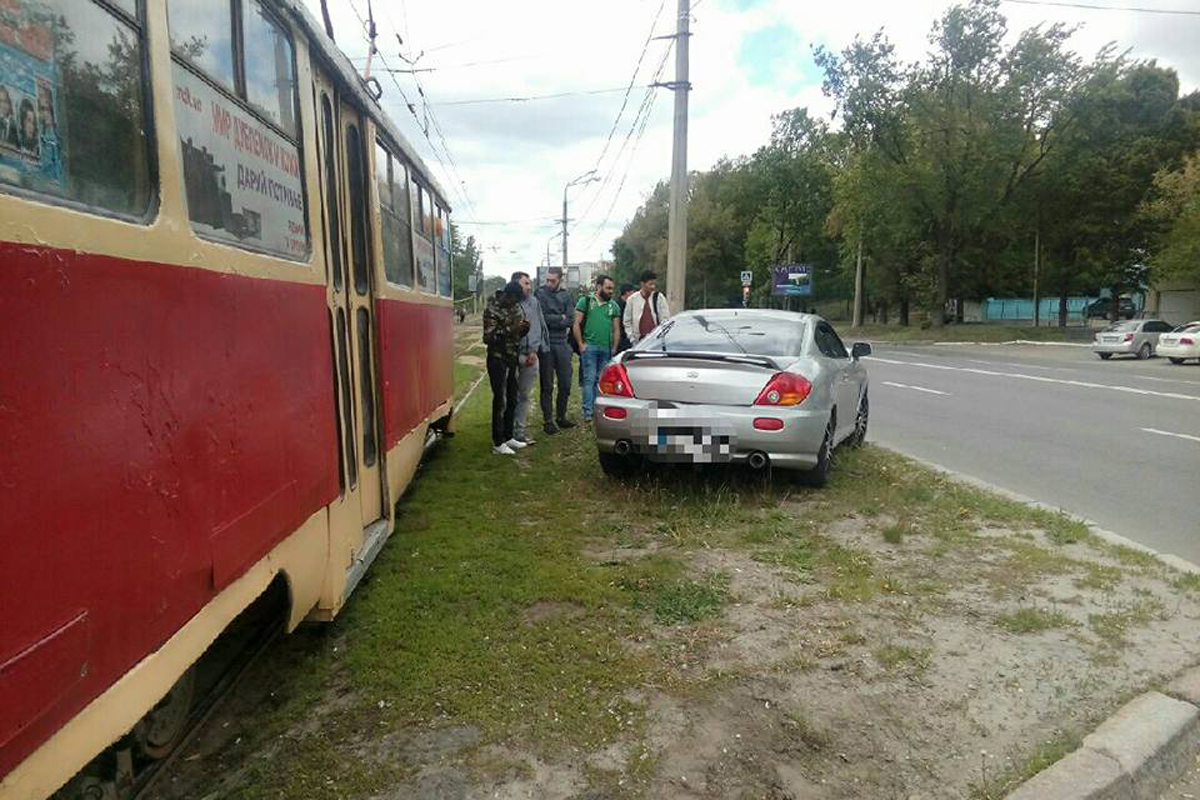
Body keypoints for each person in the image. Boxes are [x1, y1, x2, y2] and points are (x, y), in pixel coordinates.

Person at [483, 280, 530, 455]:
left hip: (512, 357)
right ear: (507, 296)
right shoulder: (492, 309)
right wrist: (512, 328)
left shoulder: (515, 307)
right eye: (514, 300)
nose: (516, 304)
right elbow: (488, 337)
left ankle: (509, 436)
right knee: (500, 400)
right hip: (497, 359)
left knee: (512, 398)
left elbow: (517, 331)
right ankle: (498, 442)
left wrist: (524, 329)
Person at [572, 274, 621, 423]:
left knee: (601, 381)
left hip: (606, 348)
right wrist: (581, 344)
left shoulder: (614, 306)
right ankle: (588, 412)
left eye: (612, 288)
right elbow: (576, 324)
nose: (611, 291)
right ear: (599, 287)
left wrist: (614, 347)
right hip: (590, 347)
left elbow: (616, 329)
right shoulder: (585, 301)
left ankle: (599, 410)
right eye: (608, 288)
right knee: (589, 379)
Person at [534, 267, 577, 434]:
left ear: (560, 280)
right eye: (547, 280)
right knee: (547, 384)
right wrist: (560, 317)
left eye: (553, 280)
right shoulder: (540, 294)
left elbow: (571, 319)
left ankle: (561, 416)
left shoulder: (566, 296)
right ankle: (548, 420)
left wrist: (557, 319)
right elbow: (542, 318)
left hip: (563, 344)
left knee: (565, 383)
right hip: (546, 343)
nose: (549, 283)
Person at [512, 271, 549, 445]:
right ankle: (506, 433)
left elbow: (539, 327)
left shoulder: (534, 302)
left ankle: (519, 432)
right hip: (512, 356)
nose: (529, 286)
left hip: (531, 356)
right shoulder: (509, 303)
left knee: (524, 396)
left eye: (529, 283)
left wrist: (535, 350)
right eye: (525, 283)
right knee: (509, 395)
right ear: (516, 285)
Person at [623, 270, 671, 347]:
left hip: (656, 341)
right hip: (639, 342)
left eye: (654, 284)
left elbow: (665, 319)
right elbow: (627, 322)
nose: (653, 287)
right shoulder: (632, 299)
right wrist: (632, 339)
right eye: (650, 284)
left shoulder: (659, 297)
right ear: (642, 284)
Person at [616, 284, 636, 353]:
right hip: (621, 339)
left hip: (628, 338)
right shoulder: (618, 306)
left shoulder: (630, 304)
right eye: (632, 292)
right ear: (627, 293)